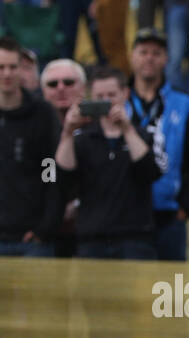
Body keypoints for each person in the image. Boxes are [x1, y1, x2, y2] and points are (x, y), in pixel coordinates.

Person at [55, 66, 161, 259]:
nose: (105, 101)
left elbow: (150, 172)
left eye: (111, 94)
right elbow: (63, 178)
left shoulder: (143, 135)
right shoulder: (82, 139)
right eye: (99, 96)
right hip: (92, 238)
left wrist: (127, 130)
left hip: (135, 238)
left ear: (125, 93)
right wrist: (68, 132)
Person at [126, 28, 189, 262]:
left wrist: (186, 206)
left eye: (156, 53)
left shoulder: (185, 104)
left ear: (166, 58)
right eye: (143, 52)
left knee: (169, 290)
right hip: (124, 213)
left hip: (169, 214)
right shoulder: (117, 103)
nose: (149, 58)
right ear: (132, 56)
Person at [0, 38, 62, 257]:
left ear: (22, 69)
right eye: (1, 67)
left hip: (32, 240)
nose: (7, 74)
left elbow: (51, 173)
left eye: (12, 67)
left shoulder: (42, 115)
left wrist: (45, 228)